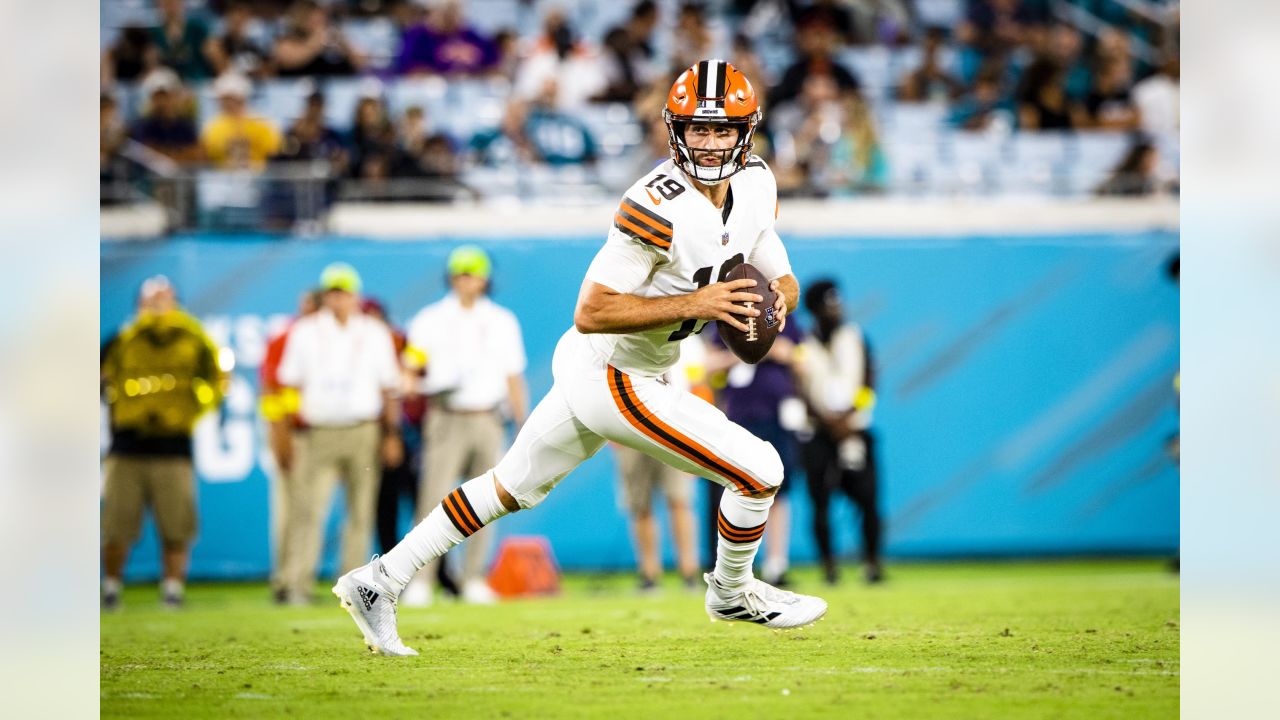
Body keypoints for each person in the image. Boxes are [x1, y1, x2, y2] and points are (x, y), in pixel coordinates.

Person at [333, 60, 827, 656]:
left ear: (747, 132)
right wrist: (700, 302)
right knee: (761, 470)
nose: (711, 141)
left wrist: (786, 283)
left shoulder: (755, 181)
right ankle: (731, 589)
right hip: (616, 370)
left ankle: (379, 579)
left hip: (636, 365)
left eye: (723, 130)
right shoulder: (655, 204)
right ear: (675, 130)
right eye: (698, 129)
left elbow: (759, 237)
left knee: (509, 487)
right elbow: (591, 311)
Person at [399, 246, 528, 606]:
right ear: (451, 278)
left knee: (487, 502)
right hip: (446, 414)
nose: (466, 280)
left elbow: (513, 376)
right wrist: (410, 384)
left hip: (487, 416)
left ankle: (474, 578)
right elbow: (411, 366)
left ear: (485, 278)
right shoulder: (430, 319)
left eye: (472, 273)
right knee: (431, 500)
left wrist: (521, 422)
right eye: (460, 274)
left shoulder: (502, 320)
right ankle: (421, 581)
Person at [275, 263, 402, 605]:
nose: (339, 299)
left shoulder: (375, 332)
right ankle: (298, 584)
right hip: (318, 431)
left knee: (360, 511)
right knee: (308, 510)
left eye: (344, 293)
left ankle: (351, 588)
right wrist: (285, 433)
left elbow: (389, 387)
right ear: (325, 296)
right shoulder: (304, 331)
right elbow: (288, 385)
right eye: (333, 292)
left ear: (355, 296)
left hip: (363, 429)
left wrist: (391, 435)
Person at [100, 277, 225, 609]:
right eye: (151, 298)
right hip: (126, 447)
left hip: (174, 448)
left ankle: (173, 590)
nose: (157, 304)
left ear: (176, 302)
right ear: (139, 304)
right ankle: (110, 587)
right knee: (116, 526)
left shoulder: (193, 338)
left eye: (164, 297)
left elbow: (218, 377)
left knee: (177, 527)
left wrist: (189, 412)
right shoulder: (122, 340)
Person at [704, 316, 805, 587]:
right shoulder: (727, 318)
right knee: (734, 491)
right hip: (739, 418)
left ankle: (776, 564)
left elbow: (797, 356)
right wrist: (744, 353)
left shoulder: (783, 316)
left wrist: (766, 350)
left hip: (776, 416)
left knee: (777, 491)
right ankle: (733, 570)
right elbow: (710, 364)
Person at [795, 279, 883, 585]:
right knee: (819, 501)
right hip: (817, 432)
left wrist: (850, 415)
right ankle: (828, 567)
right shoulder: (803, 343)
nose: (837, 308)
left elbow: (870, 382)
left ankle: (872, 563)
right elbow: (797, 389)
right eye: (829, 304)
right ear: (815, 309)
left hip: (855, 430)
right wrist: (827, 420)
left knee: (868, 499)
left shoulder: (855, 336)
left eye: (838, 302)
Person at [259, 288, 322, 604]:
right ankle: (288, 580)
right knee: (293, 509)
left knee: (306, 510)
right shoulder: (287, 338)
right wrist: (279, 435)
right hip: (293, 431)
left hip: (318, 432)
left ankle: (294, 579)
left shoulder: (330, 341)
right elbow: (270, 390)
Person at [200, 73, 283, 170]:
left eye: (227, 98)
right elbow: (206, 155)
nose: (222, 102)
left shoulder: (262, 124)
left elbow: (273, 153)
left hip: (258, 179)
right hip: (221, 179)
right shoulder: (213, 126)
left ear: (239, 98)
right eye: (222, 98)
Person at [395, 0, 499, 76]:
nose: (451, 18)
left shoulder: (470, 34)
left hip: (469, 88)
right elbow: (409, 70)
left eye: (455, 12)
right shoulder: (417, 36)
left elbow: (493, 66)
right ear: (434, 12)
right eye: (446, 13)